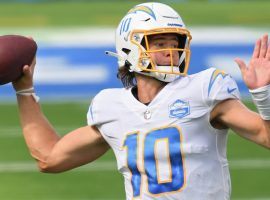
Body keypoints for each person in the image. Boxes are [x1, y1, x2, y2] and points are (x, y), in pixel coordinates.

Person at [12, 2, 270, 200]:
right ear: (130, 48)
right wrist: (24, 89)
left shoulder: (204, 90)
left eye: (175, 42)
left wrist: (263, 94)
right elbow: (49, 158)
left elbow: (265, 137)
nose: (171, 51)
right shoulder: (110, 107)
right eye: (159, 43)